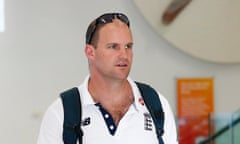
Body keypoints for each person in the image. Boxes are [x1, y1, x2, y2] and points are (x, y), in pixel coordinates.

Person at [37, 12, 178, 144]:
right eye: (113, 47)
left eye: (128, 46)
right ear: (90, 52)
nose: (124, 55)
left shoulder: (156, 103)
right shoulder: (61, 113)